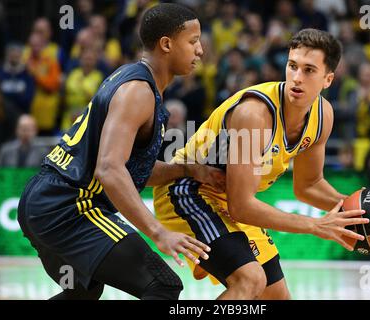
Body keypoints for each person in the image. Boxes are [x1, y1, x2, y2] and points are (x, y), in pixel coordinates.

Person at [17, 4, 225, 300]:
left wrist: (187, 169)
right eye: (193, 41)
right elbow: (110, 169)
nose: (201, 50)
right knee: (162, 285)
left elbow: (130, 169)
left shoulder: (133, 80)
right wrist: (157, 231)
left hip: (45, 201)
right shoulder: (138, 92)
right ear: (166, 44)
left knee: (83, 294)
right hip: (69, 205)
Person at [153, 28, 368, 300]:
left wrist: (354, 212)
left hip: (230, 198)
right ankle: (217, 253)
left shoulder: (323, 115)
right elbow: (242, 207)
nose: (297, 78)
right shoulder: (254, 115)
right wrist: (315, 226)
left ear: (328, 79)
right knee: (249, 280)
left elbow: (309, 186)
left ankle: (218, 254)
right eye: (292, 67)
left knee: (277, 297)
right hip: (188, 191)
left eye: (309, 70)